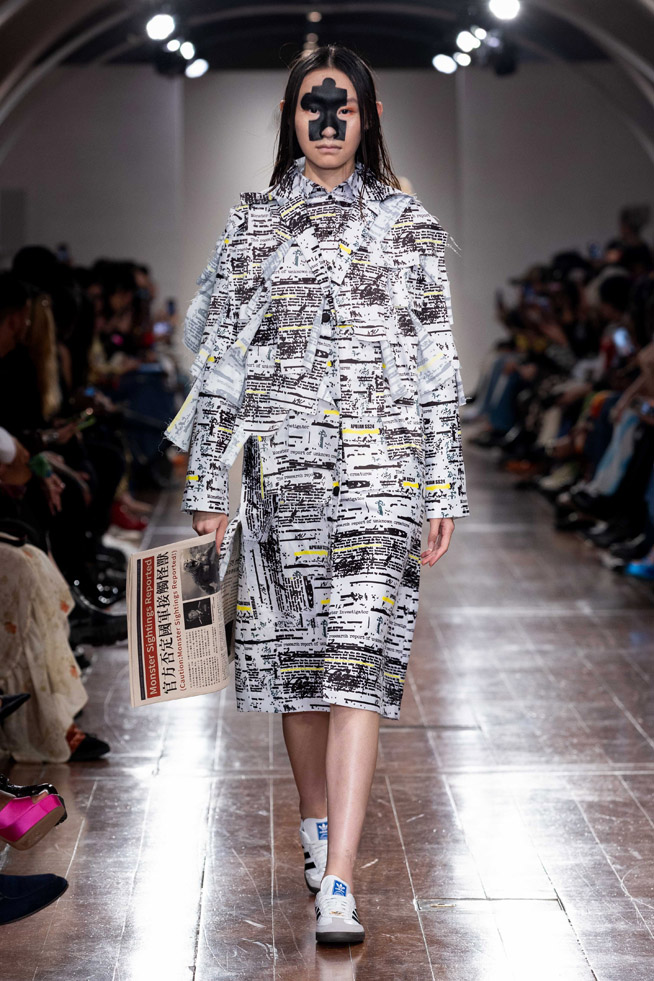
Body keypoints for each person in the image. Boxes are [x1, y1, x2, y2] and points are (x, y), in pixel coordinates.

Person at [166, 44, 469, 945]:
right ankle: (315, 822)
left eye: (343, 108)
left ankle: (339, 876)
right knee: (297, 671)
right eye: (312, 107)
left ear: (368, 118)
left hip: (383, 478)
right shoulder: (254, 222)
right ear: (290, 118)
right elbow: (219, 359)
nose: (327, 123)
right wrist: (207, 482)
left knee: (359, 670)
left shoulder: (409, 225)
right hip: (281, 481)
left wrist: (443, 482)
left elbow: (438, 361)